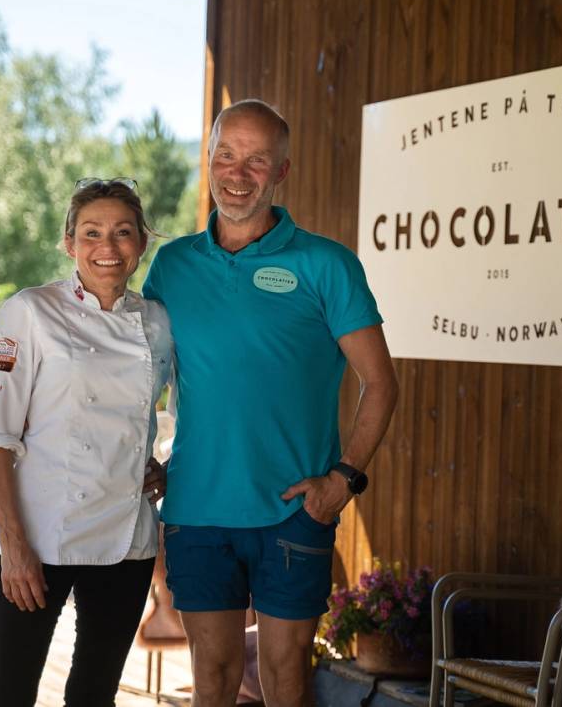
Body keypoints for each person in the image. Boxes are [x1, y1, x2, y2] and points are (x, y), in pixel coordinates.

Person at [142, 99, 398, 706]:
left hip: (294, 509)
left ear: (281, 171)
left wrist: (344, 479)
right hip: (197, 505)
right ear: (209, 160)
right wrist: (138, 456)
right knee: (212, 678)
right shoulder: (173, 265)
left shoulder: (327, 265)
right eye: (226, 155)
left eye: (256, 160)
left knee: (284, 680)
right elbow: (141, 374)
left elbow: (381, 382)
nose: (237, 173)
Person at [0, 178, 172, 706]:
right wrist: (13, 545)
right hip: (39, 534)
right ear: (69, 242)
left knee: (95, 695)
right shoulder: (28, 312)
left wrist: (162, 465)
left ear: (142, 241)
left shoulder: (157, 321)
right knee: (9, 694)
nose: (108, 247)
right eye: (92, 232)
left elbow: (174, 406)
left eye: (123, 232)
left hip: (127, 539)